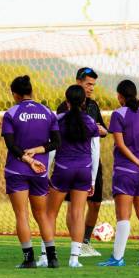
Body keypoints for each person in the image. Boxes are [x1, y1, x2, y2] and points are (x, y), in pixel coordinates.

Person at [1, 75, 60, 268]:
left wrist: (27, 158)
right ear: (31, 91)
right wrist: (38, 151)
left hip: (17, 170)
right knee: (42, 214)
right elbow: (57, 142)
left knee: (22, 215)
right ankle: (52, 258)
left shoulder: (11, 113)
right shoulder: (48, 112)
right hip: (39, 171)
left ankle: (29, 259)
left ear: (15, 94)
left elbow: (11, 145)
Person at [46, 85, 107, 268]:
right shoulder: (90, 122)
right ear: (83, 102)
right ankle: (74, 259)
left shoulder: (58, 120)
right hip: (84, 170)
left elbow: (52, 148)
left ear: (66, 101)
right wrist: (93, 178)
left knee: (50, 213)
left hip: (63, 169)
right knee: (78, 213)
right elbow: (95, 151)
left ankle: (45, 255)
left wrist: (46, 171)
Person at [98, 80, 139, 266]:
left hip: (126, 170)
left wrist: (137, 162)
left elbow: (121, 145)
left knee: (123, 215)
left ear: (120, 96)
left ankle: (117, 258)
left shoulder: (118, 114)